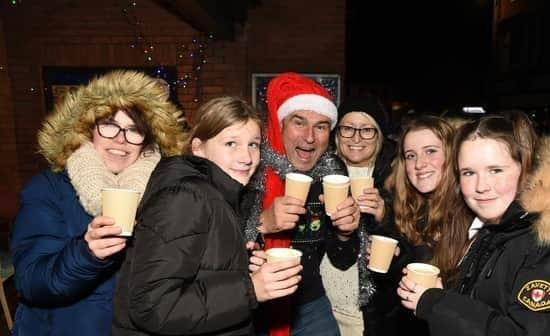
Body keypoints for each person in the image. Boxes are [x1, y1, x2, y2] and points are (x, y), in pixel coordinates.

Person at [399, 112, 550, 335]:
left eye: (495, 170)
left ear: (526, 170)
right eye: (469, 173)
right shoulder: (492, 230)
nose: (481, 186)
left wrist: (439, 305)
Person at [10, 70, 187, 335]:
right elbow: (31, 282)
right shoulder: (48, 189)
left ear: (148, 141)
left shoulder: (164, 191)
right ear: (87, 128)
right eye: (108, 125)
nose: (120, 139)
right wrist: (86, 254)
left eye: (133, 130)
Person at [112, 96, 303, 335]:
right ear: (198, 148)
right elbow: (153, 307)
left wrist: (244, 268)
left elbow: (202, 271)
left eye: (253, 144)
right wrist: (250, 288)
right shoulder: (185, 197)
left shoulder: (223, 195)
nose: (246, 157)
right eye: (231, 143)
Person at [244, 72, 360, 336]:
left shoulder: (331, 176)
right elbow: (213, 253)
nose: (310, 137)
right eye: (299, 123)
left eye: (320, 126)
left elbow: (342, 260)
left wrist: (345, 232)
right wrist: (262, 223)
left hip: (310, 305)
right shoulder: (250, 169)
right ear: (280, 123)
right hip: (250, 307)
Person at [369, 114, 455, 335]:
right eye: (410, 155)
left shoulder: (471, 214)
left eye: (431, 151)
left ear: (453, 155)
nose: (419, 164)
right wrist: (396, 258)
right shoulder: (409, 210)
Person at [319, 95, 396, 335]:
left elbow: (413, 244)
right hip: (321, 307)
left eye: (366, 130)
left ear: (380, 135)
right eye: (348, 129)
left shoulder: (398, 176)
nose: (356, 138)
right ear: (336, 134)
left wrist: (384, 217)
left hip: (375, 310)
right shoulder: (319, 173)